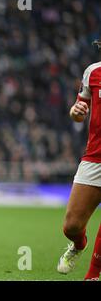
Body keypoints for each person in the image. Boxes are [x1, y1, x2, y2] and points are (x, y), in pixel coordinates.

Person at [57, 41, 101, 280]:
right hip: (95, 157)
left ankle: (93, 275)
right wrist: (76, 112)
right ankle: (79, 244)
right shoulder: (93, 72)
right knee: (71, 226)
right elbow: (79, 108)